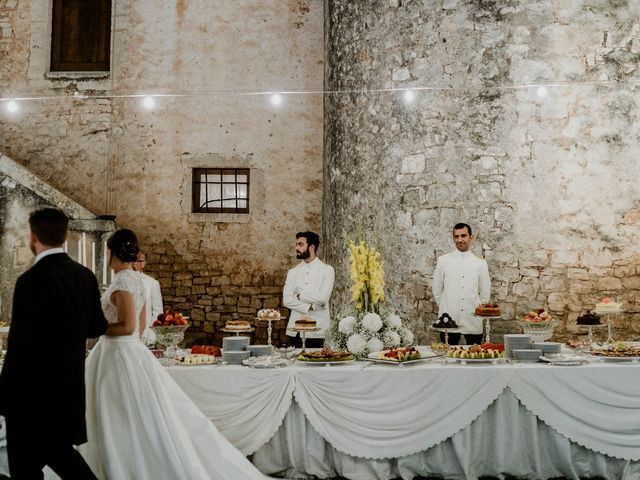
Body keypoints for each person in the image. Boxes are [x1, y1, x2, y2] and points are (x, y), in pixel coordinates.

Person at [81, 229, 268, 479]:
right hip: (129, 350)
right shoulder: (138, 280)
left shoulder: (124, 282)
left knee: (115, 412)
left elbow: (126, 327)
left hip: (118, 353)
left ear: (110, 251)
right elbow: (141, 322)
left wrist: (93, 327)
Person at [0, 207, 107, 479]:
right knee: (62, 456)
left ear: (33, 236)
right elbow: (97, 327)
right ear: (65, 235)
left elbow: (19, 347)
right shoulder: (85, 276)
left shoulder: (31, 280)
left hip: (30, 397)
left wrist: (3, 398)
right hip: (68, 390)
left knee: (26, 469)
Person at [432, 223, 491, 345]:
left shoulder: (480, 263)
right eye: (456, 236)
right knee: (447, 357)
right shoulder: (443, 261)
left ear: (471, 237)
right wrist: (447, 306)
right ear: (453, 238)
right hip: (448, 319)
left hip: (473, 318)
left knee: (475, 356)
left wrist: (477, 309)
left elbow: (485, 293)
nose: (460, 240)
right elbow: (437, 290)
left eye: (463, 236)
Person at [283, 231, 335, 348]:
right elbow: (287, 300)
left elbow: (323, 297)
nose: (296, 247)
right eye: (296, 244)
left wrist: (300, 296)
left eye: (300, 244)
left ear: (312, 247)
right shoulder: (293, 272)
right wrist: (310, 307)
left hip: (319, 330)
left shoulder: (327, 270)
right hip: (296, 330)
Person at [132, 252, 163, 346]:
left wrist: (152, 335)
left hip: (145, 334)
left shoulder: (152, 283)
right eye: (134, 260)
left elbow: (158, 312)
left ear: (144, 263)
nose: (137, 263)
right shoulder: (121, 281)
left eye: (140, 261)